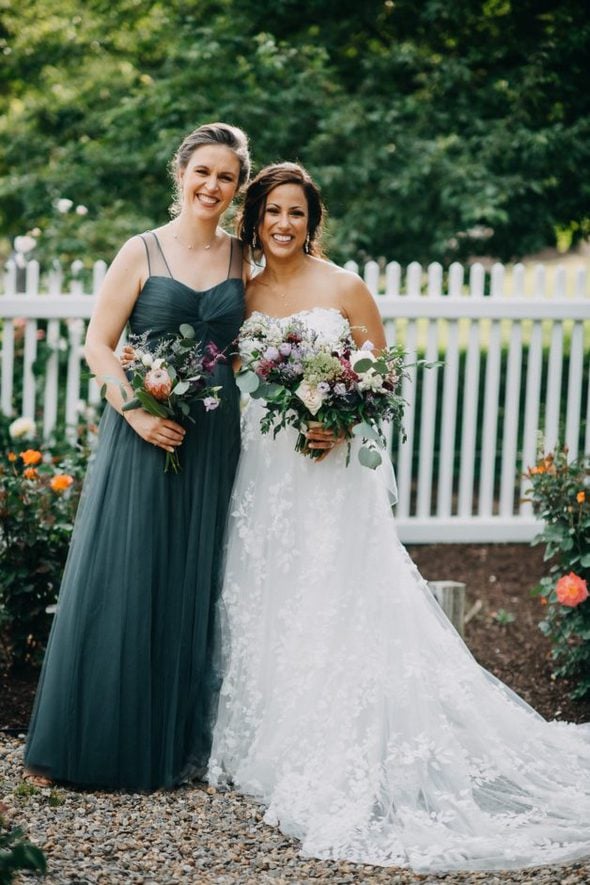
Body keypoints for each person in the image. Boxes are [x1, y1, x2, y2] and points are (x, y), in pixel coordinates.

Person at [208, 162, 590, 872]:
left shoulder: (345, 286)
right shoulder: (243, 292)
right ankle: (274, 730)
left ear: (310, 219)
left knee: (334, 592)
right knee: (268, 588)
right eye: (272, 213)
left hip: (330, 473)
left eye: (296, 212)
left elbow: (380, 381)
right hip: (264, 470)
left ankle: (342, 736)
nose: (284, 224)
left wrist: (343, 426)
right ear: (254, 219)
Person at [24, 122, 250, 791]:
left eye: (227, 177)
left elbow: (248, 344)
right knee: (130, 571)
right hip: (144, 427)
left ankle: (177, 739)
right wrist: (138, 412)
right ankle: (102, 740)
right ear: (180, 173)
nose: (213, 186)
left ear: (238, 188)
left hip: (212, 434)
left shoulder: (242, 258)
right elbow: (98, 342)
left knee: (193, 573)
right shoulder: (141, 251)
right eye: (202, 172)